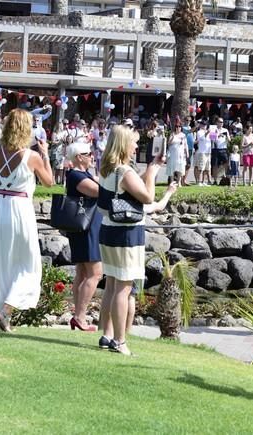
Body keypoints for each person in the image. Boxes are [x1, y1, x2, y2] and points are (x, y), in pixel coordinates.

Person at [97, 126, 178, 356]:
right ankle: (120, 341)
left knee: (112, 285)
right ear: (124, 145)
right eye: (133, 143)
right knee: (123, 289)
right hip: (127, 234)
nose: (136, 147)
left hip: (108, 230)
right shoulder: (124, 171)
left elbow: (131, 189)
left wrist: (150, 168)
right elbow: (148, 196)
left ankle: (107, 334)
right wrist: (152, 174)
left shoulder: (107, 169)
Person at [0, 109, 54, 332]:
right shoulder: (31, 156)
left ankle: (3, 312)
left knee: (2, 262)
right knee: (29, 263)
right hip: (19, 208)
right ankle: (5, 310)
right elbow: (49, 182)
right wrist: (45, 154)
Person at [65, 141, 103, 332]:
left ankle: (78, 316)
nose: (92, 156)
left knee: (82, 272)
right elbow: (99, 192)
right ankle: (80, 316)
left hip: (85, 227)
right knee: (95, 273)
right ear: (79, 157)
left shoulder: (81, 174)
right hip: (87, 229)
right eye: (88, 154)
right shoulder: (76, 175)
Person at [194, 121, 212, 186]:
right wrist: (207, 133)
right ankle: (199, 182)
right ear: (200, 125)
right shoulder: (199, 132)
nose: (204, 126)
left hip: (208, 152)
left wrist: (215, 134)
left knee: (207, 168)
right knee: (201, 167)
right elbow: (201, 139)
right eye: (203, 124)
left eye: (205, 125)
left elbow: (213, 139)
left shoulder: (208, 132)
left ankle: (204, 181)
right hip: (202, 152)